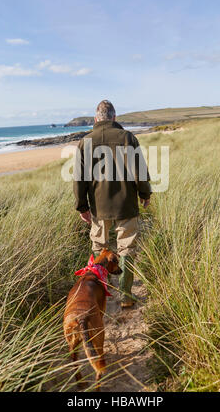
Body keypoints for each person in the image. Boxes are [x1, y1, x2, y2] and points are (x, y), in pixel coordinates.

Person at [73, 100, 151, 308]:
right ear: (114, 118)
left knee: (100, 249)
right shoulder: (128, 138)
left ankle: (99, 296)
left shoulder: (86, 141)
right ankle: (125, 297)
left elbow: (79, 179)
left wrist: (82, 207)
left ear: (96, 119)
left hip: (99, 208)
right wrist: (145, 193)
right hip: (127, 204)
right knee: (126, 249)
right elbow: (140, 170)